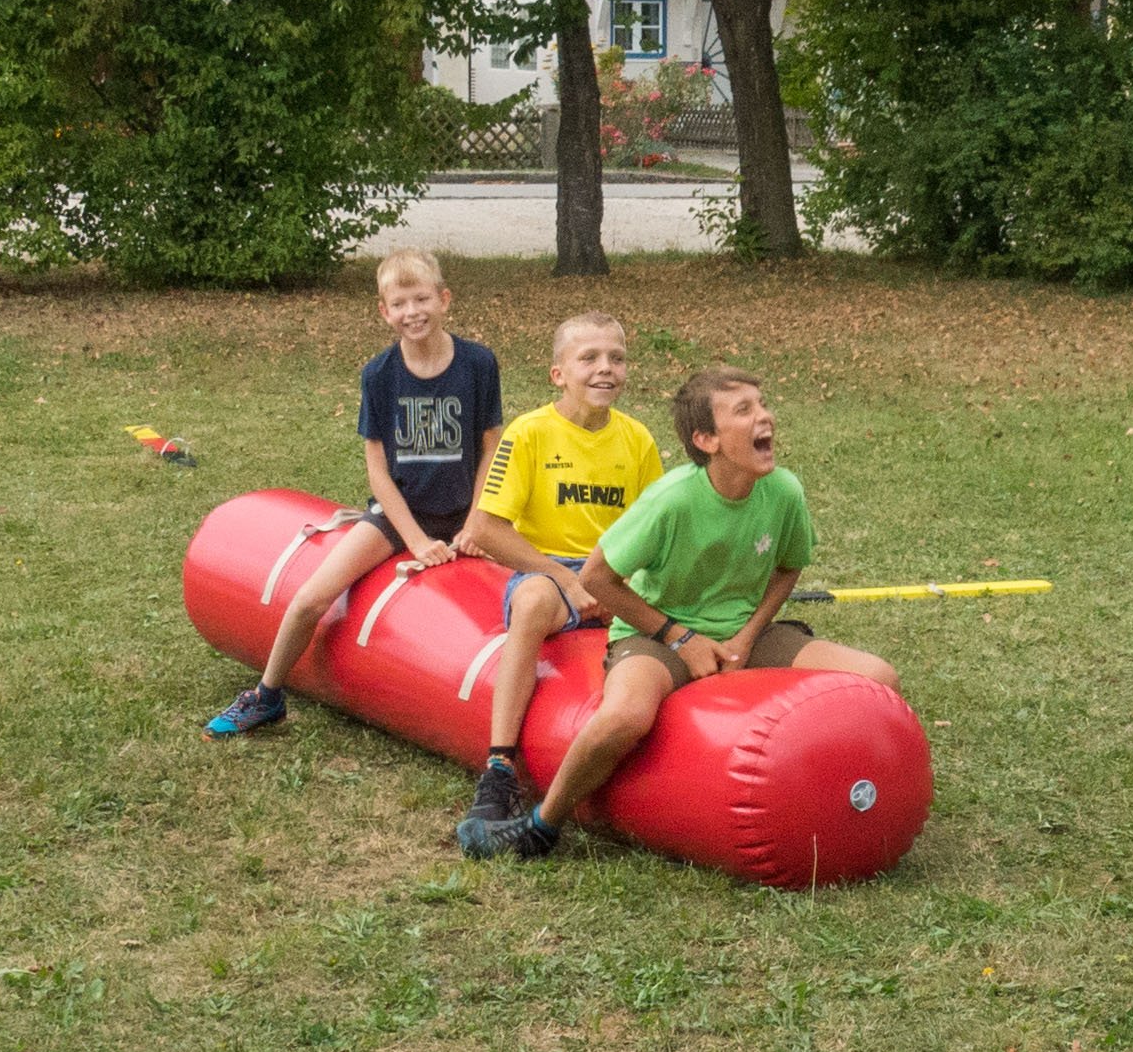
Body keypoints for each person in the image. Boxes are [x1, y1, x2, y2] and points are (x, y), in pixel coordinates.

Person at [468, 365, 892, 862]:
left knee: (879, 677)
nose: (765, 416)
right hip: (655, 635)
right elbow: (597, 577)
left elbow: (788, 566)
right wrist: (678, 637)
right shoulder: (672, 500)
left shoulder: (784, 491)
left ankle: (851, 795)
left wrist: (747, 637)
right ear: (707, 440)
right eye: (744, 410)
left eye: (762, 404)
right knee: (625, 716)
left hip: (743, 633)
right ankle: (542, 825)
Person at [208, 250, 500, 741]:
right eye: (399, 304)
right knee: (310, 598)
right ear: (384, 311)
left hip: (468, 513)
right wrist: (414, 539)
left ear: (444, 299)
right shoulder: (380, 374)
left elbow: (492, 448)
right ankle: (266, 695)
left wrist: (476, 524)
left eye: (422, 299)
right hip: (397, 515)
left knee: (533, 581)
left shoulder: (477, 363)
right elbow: (378, 471)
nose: (413, 312)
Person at [454, 307, 663, 846]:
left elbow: (656, 533)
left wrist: (621, 589)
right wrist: (569, 582)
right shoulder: (529, 433)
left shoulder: (638, 440)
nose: (605, 368)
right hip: (547, 570)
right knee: (531, 604)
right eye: (588, 357)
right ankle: (500, 767)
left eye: (617, 357)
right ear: (558, 374)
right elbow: (486, 528)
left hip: (610, 573)